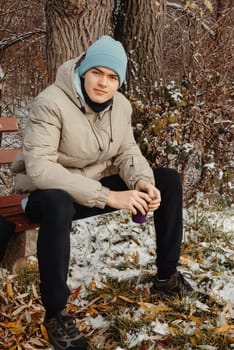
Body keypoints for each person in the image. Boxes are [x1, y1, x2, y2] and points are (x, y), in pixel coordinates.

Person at [13, 35, 194, 350]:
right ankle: (56, 313)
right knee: (57, 200)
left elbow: (127, 151)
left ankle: (166, 277)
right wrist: (109, 196)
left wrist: (141, 181)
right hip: (44, 196)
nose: (103, 83)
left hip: (89, 193)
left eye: (112, 77)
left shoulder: (120, 106)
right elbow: (41, 169)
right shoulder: (51, 102)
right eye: (97, 72)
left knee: (167, 178)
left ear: (119, 82)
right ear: (83, 70)